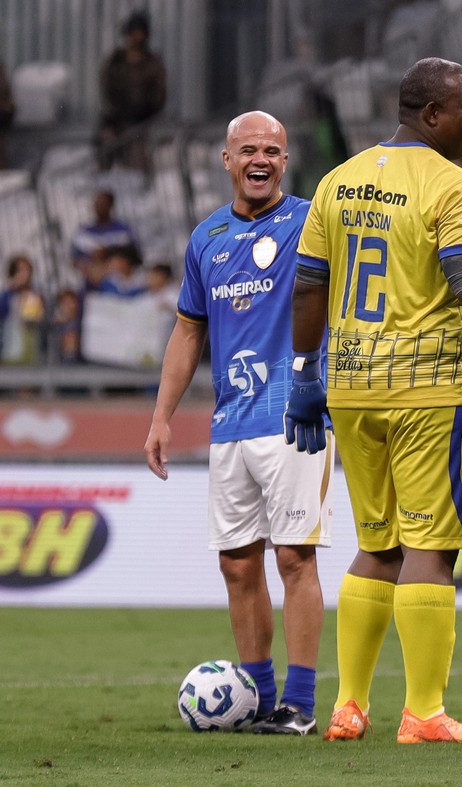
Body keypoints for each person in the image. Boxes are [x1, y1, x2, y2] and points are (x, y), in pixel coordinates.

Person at [285, 57, 462, 745]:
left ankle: (349, 704)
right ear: (430, 115)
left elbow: (309, 286)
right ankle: (424, 711)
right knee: (431, 546)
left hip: (352, 386)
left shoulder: (338, 180)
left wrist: (303, 376)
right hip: (431, 389)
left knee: (377, 545)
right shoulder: (454, 186)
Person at [144, 111, 332, 736]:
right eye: (248, 149)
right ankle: (258, 699)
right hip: (229, 423)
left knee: (295, 558)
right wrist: (162, 417)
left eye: (273, 151)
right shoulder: (206, 239)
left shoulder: (311, 221)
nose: (261, 159)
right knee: (237, 565)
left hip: (294, 415)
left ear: (286, 160)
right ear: (226, 160)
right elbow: (188, 329)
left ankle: (301, 706)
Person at [96, 10, 167, 172]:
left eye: (140, 32)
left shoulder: (152, 63)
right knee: (106, 148)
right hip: (117, 120)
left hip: (142, 123)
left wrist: (145, 112)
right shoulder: (116, 62)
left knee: (137, 164)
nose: (136, 37)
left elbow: (159, 94)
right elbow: (107, 88)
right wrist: (117, 112)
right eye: (133, 32)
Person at [70, 190, 141, 271]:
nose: (99, 207)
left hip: (119, 279)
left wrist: (109, 253)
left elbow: (136, 256)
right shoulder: (83, 233)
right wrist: (91, 264)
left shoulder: (123, 230)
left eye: (103, 204)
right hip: (94, 279)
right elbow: (74, 261)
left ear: (110, 206)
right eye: (97, 204)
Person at [0, 254, 45, 365]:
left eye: (27, 270)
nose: (25, 274)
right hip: (10, 350)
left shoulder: (35, 295)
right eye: (21, 270)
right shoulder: (8, 295)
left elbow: (41, 320)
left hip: (32, 350)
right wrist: (11, 289)